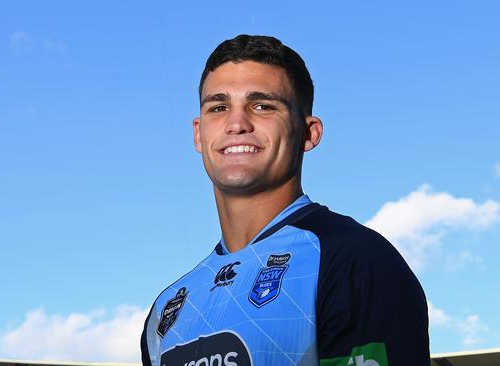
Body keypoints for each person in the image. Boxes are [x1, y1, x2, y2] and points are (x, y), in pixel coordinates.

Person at [140, 34, 429, 366]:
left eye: (262, 105)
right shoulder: (167, 308)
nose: (236, 124)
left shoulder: (354, 260)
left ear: (309, 133)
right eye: (219, 107)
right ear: (198, 134)